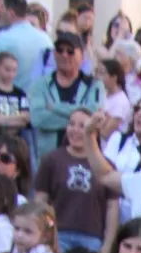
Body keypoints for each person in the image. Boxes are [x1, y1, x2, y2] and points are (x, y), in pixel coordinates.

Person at [31, 107, 116, 253]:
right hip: (59, 235)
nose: (75, 130)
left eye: (82, 126)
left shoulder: (105, 165)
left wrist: (108, 245)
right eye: (71, 124)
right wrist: (47, 232)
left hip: (92, 238)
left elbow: (112, 209)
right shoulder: (52, 160)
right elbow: (40, 203)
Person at [27, 32, 102, 160]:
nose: (64, 55)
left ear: (82, 55)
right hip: (49, 159)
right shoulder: (39, 85)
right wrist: (80, 121)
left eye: (70, 51)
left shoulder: (94, 85)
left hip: (84, 158)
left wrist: (55, 108)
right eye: (59, 50)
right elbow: (37, 119)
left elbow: (93, 114)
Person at [0, 0, 51, 92]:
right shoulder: (45, 39)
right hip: (38, 101)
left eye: (3, 9)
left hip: (10, 99)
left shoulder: (2, 38)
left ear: (10, 13)